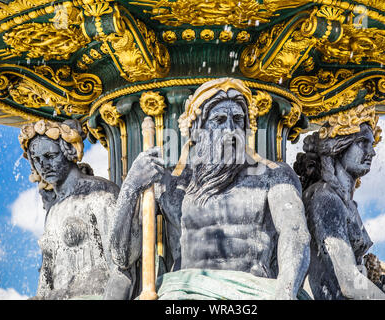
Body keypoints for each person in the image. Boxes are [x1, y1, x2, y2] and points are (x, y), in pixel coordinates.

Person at [106, 78, 311, 300]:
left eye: (238, 120)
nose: (231, 129)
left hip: (253, 294)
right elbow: (122, 257)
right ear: (196, 130)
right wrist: (131, 186)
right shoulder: (169, 184)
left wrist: (286, 292)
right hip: (183, 294)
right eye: (220, 120)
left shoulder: (274, 176)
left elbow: (295, 234)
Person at [293, 105, 385, 300]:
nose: (372, 152)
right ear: (338, 145)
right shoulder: (324, 197)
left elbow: (357, 275)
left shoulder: (349, 205)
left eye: (371, 145)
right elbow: (349, 281)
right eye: (362, 143)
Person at [19, 119, 119, 299]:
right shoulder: (53, 211)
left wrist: (67, 292)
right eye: (37, 160)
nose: (43, 166)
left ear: (69, 152)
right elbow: (46, 280)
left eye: (50, 156)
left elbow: (118, 269)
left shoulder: (98, 194)